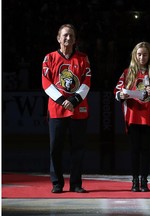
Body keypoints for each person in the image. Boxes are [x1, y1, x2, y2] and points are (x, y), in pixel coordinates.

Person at [42, 24, 92, 193]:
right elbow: (45, 82)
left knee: (78, 148)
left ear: (75, 39)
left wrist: (75, 100)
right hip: (57, 109)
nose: (68, 38)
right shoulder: (49, 58)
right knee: (55, 148)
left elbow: (87, 82)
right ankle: (57, 183)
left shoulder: (83, 59)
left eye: (71, 35)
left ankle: (76, 183)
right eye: (65, 35)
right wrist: (63, 101)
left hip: (79, 110)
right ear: (58, 38)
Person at [114, 42, 150, 192]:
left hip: (148, 116)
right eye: (139, 54)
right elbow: (117, 91)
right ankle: (134, 181)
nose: (142, 57)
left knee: (146, 149)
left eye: (145, 54)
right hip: (133, 115)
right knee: (134, 149)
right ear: (134, 56)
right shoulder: (127, 72)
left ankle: (144, 181)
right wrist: (121, 95)